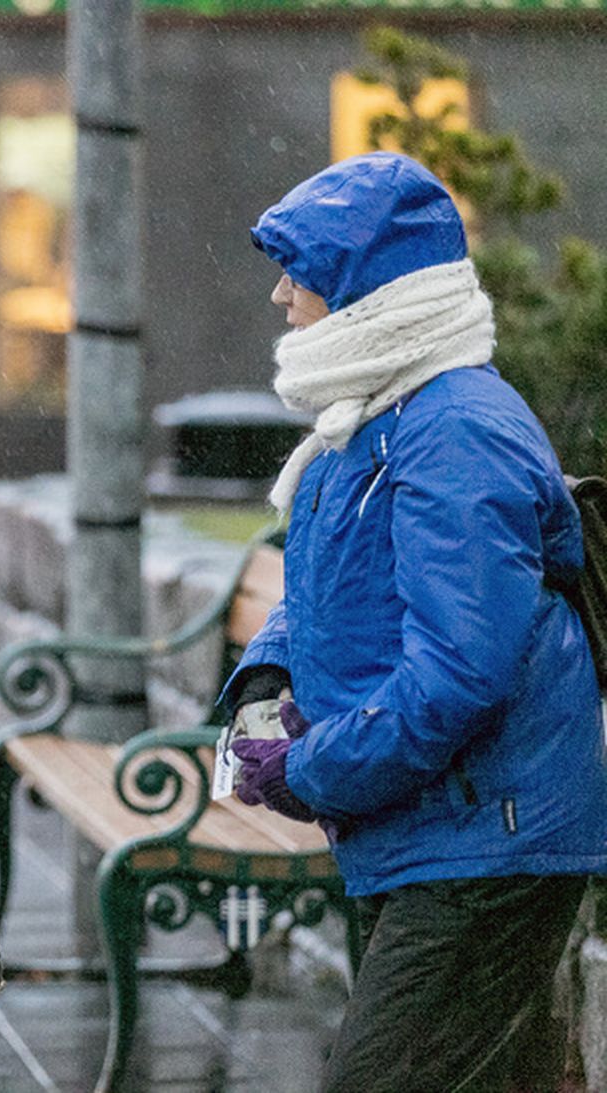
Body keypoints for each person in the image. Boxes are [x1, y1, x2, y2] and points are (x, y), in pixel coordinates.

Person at [223, 152, 607, 1091]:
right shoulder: (372, 419)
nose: (280, 295)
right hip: (433, 824)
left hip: (489, 837)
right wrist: (268, 679)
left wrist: (308, 768)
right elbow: (325, 586)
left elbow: (460, 674)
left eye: (301, 273)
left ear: (368, 291)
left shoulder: (453, 430)